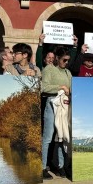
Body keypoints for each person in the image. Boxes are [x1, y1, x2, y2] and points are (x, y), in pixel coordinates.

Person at [41, 47, 72, 177]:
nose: (66, 62)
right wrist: (60, 87)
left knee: (61, 136)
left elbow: (71, 87)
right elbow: (43, 87)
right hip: (52, 104)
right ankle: (42, 167)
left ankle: (60, 165)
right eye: (64, 60)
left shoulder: (67, 72)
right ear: (57, 58)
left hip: (64, 105)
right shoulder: (49, 69)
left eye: (68, 60)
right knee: (48, 136)